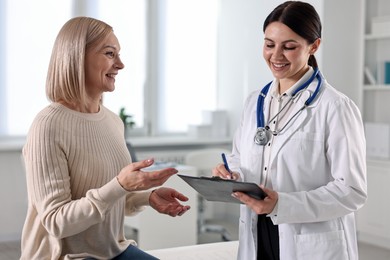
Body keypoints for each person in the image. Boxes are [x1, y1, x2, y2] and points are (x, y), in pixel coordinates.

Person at [20, 16, 190, 260]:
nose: (120, 64)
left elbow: (109, 195)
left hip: (111, 250)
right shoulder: (47, 125)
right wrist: (120, 185)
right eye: (110, 53)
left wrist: (146, 197)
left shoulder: (112, 121)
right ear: (77, 57)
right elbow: (56, 221)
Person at [212, 1, 367, 260]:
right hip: (257, 231)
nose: (276, 56)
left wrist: (283, 204)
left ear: (314, 46)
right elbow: (241, 157)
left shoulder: (335, 107)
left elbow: (352, 191)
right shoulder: (254, 102)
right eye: (269, 44)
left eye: (289, 46)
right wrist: (231, 173)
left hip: (308, 239)